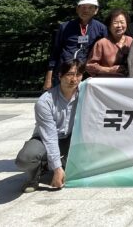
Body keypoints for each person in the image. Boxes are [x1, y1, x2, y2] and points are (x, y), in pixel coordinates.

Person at [16, 59, 84, 192]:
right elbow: (50, 136)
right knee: (25, 159)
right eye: (69, 74)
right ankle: (35, 176)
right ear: (60, 76)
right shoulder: (45, 101)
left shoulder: (85, 94)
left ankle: (55, 167)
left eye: (78, 74)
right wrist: (57, 168)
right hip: (45, 138)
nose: (74, 79)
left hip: (71, 137)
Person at [43, 0, 107, 91]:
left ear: (96, 10)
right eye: (83, 7)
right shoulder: (65, 27)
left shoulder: (101, 29)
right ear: (77, 9)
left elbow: (103, 54)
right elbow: (55, 52)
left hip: (86, 74)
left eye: (90, 7)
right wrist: (48, 79)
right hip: (64, 71)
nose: (86, 10)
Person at [86, 9, 132, 78]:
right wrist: (109, 70)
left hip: (129, 81)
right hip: (107, 81)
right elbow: (90, 66)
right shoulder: (101, 43)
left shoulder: (132, 41)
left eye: (122, 22)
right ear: (109, 26)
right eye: (115, 23)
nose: (119, 25)